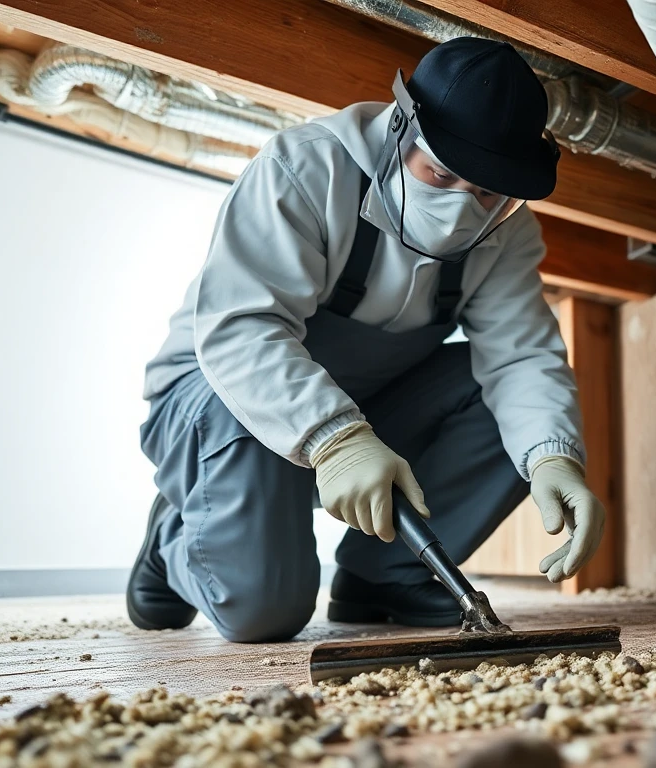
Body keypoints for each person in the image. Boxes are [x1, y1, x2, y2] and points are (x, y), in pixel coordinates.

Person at [128, 37, 605, 643]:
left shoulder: (504, 233)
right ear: (401, 128)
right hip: (224, 399)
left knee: (512, 410)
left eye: (487, 192)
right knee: (262, 612)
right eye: (441, 172)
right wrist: (336, 441)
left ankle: (386, 576)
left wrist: (554, 457)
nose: (464, 209)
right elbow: (241, 330)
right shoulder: (304, 168)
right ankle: (176, 536)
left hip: (368, 408)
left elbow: (522, 356)